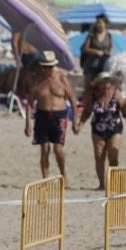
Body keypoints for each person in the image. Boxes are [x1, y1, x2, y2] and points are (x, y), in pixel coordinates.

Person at [23, 50, 77, 182]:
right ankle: (45, 179)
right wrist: (28, 123)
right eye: (45, 67)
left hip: (59, 116)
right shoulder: (37, 81)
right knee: (44, 149)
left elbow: (72, 100)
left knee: (58, 149)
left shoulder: (62, 78)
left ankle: (63, 173)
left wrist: (75, 120)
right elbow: (29, 103)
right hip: (42, 115)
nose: (47, 70)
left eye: (50, 67)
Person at [78, 75, 125, 190]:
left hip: (115, 128)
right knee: (99, 156)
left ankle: (113, 182)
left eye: (107, 83)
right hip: (97, 129)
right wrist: (80, 124)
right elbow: (86, 112)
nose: (105, 86)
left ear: (111, 84)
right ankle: (102, 184)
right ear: (98, 85)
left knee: (113, 155)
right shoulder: (93, 96)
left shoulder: (116, 94)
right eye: (102, 83)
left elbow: (125, 109)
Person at [79, 15, 113, 83]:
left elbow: (111, 50)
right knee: (89, 86)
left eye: (100, 22)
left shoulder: (109, 36)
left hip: (104, 64)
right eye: (97, 22)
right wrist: (96, 51)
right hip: (91, 63)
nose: (98, 24)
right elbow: (85, 49)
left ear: (105, 24)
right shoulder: (91, 35)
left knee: (104, 86)